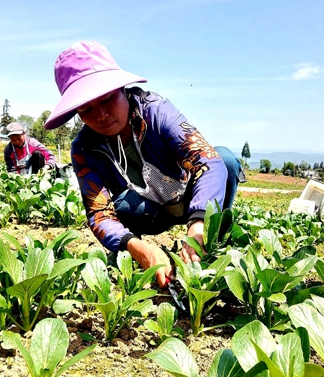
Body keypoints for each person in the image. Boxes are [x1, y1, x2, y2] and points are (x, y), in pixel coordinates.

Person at [45, 41, 244, 287]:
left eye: (107, 100)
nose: (101, 115)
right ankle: (132, 253)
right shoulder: (84, 148)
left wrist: (199, 227)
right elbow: (98, 213)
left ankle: (211, 242)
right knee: (123, 206)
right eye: (86, 109)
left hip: (187, 195)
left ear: (122, 89)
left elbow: (207, 161)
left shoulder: (155, 111)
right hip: (149, 214)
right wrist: (137, 247)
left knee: (225, 160)